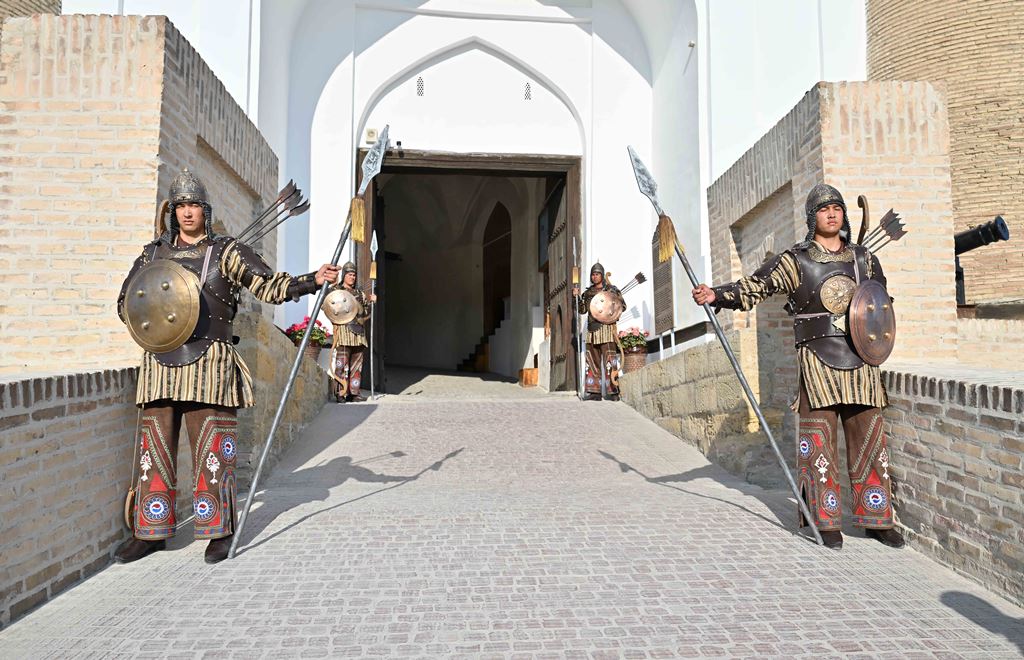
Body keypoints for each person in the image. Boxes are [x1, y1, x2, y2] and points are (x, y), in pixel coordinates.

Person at [114, 169, 340, 564]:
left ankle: (218, 530)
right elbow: (127, 302)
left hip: (211, 362)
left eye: (194, 205)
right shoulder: (152, 255)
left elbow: (269, 286)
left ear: (205, 210)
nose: (187, 212)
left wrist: (311, 280)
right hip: (160, 363)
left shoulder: (227, 251)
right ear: (172, 211)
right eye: (181, 206)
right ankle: (150, 531)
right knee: (154, 450)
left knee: (213, 451)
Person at [691, 184, 905, 550]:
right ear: (812, 217)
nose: (832, 214)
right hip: (818, 359)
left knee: (870, 440)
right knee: (818, 444)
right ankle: (824, 520)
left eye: (837, 208)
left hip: (862, 360)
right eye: (824, 209)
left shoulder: (864, 258)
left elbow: (880, 304)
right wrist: (718, 294)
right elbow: (756, 286)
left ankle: (877, 518)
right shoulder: (795, 259)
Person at [573, 262, 623, 401]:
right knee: (592, 360)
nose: (594, 277)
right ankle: (594, 392)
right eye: (593, 275)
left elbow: (622, 306)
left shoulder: (611, 290)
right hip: (592, 330)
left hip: (606, 329)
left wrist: (611, 309)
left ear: (602, 275)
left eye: (597, 274)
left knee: (610, 360)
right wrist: (576, 297)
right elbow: (582, 310)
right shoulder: (588, 293)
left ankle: (613, 391)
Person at [327, 262, 375, 402]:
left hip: (358, 333)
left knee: (356, 365)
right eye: (349, 274)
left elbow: (365, 314)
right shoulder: (336, 290)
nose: (352, 277)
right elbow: (328, 305)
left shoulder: (360, 294)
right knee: (341, 364)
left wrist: (372, 303)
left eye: (354, 275)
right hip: (343, 330)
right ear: (344, 275)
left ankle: (354, 393)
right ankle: (340, 393)